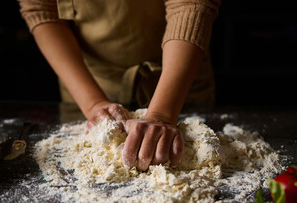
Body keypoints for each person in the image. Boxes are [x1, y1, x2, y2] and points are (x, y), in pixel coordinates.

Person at [18, 0, 221, 170]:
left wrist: (162, 115)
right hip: (88, 81)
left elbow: (190, 5)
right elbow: (42, 11)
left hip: (179, 77)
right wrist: (93, 104)